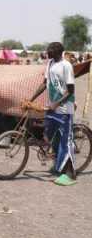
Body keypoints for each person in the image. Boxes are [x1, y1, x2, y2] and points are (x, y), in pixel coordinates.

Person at [27, 42, 77, 186]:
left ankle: (70, 174)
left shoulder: (66, 66)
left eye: (50, 50)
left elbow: (71, 90)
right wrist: (31, 99)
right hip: (52, 107)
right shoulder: (50, 64)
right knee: (50, 137)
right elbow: (44, 84)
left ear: (58, 52)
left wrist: (57, 103)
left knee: (65, 142)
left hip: (64, 109)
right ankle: (58, 165)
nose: (47, 52)